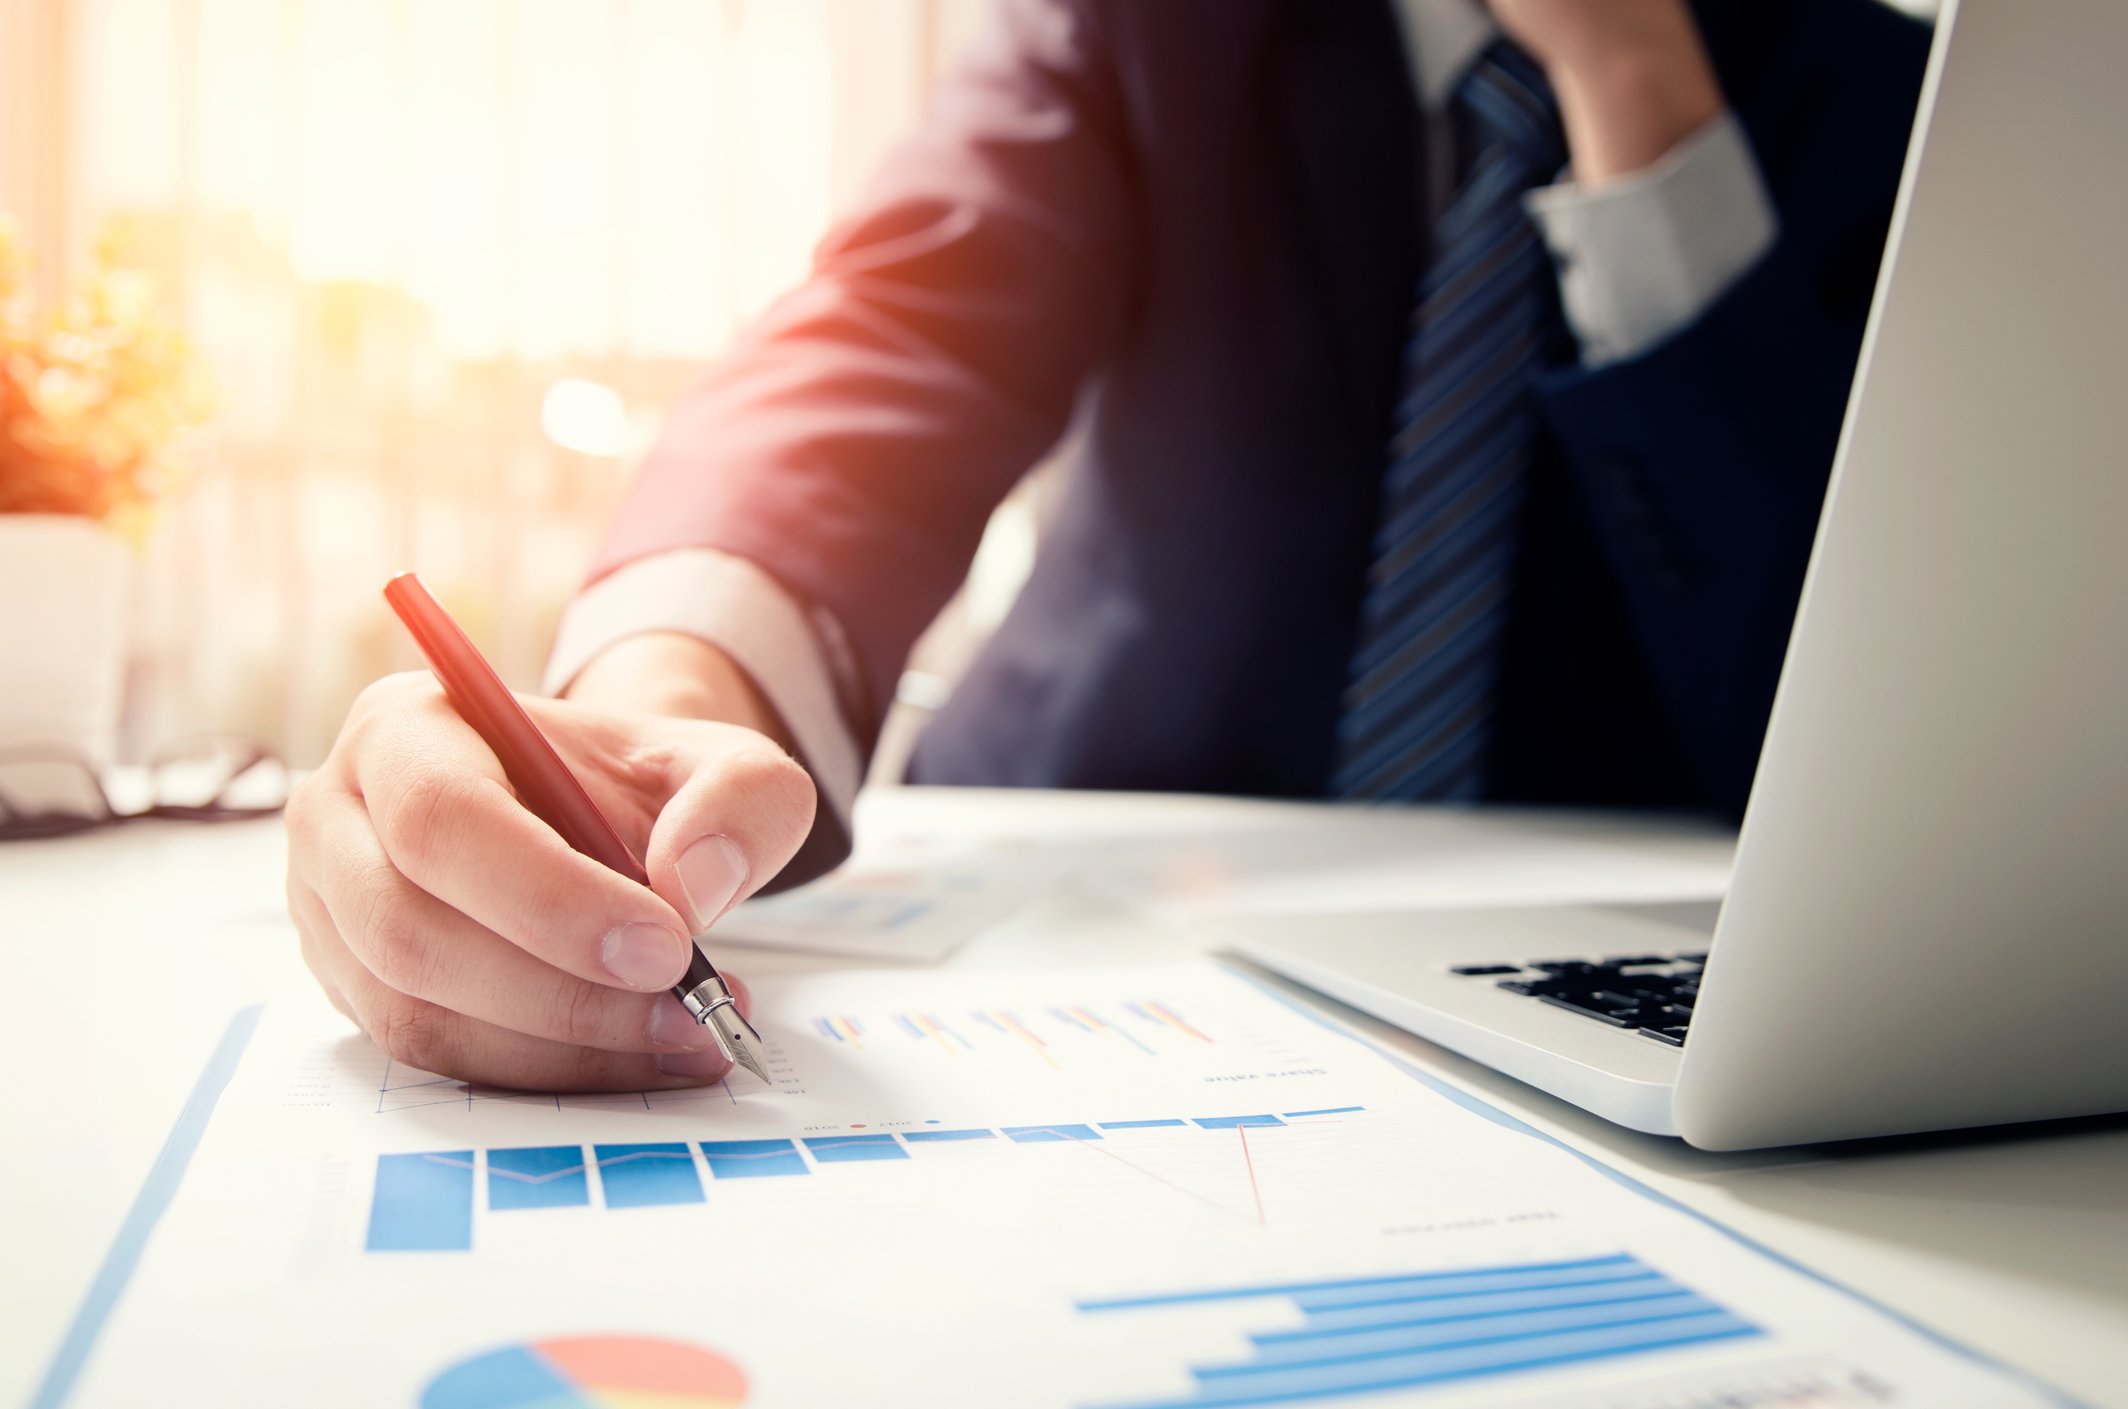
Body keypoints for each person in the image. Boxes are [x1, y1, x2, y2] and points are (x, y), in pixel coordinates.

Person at [285, 0, 1931, 1091]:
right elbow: (896, 338)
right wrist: (661, 703)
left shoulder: (1920, 110)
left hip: (1597, 967)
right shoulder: (1157, 24)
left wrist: (1633, 77)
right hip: (1075, 913)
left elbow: (1834, 678)